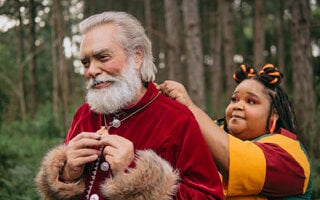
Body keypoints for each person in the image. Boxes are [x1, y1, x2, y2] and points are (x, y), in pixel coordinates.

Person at [35, 11, 223, 200]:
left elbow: (210, 197)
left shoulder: (177, 119)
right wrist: (68, 175)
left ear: (137, 55)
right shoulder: (84, 114)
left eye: (103, 57)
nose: (91, 70)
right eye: (85, 62)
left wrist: (138, 174)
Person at [159, 63, 312, 199]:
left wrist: (189, 108)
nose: (237, 106)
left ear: (274, 114)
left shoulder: (292, 156)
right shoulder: (213, 132)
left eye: (251, 101)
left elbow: (236, 160)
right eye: (234, 99)